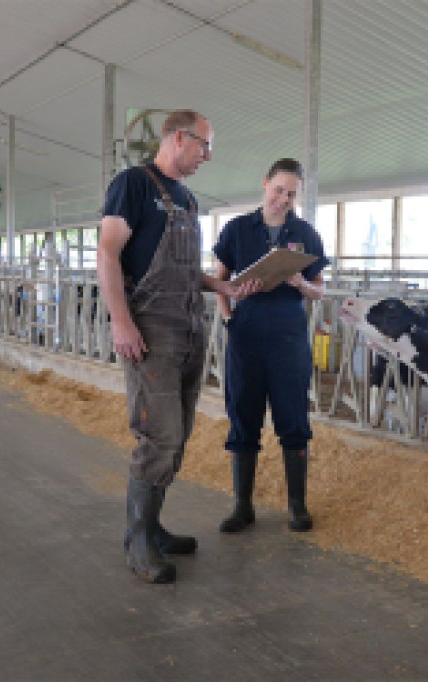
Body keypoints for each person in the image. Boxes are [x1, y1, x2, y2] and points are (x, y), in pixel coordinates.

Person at [97, 110, 259, 584]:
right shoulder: (133, 184)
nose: (208, 156)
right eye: (205, 146)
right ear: (180, 138)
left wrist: (221, 287)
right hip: (151, 327)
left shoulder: (187, 199)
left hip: (189, 324)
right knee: (158, 435)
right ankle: (138, 541)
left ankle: (154, 527)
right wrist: (121, 321)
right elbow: (108, 251)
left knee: (178, 433)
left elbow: (185, 270)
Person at [212, 158, 329, 534]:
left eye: (292, 194)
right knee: (243, 415)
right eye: (279, 190)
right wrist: (229, 317)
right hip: (246, 335)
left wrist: (300, 284)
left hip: (288, 336)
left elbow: (319, 290)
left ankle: (297, 505)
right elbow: (220, 280)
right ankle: (242, 505)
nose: (284, 199)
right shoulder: (236, 230)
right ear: (265, 184)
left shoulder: (305, 233)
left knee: (293, 418)